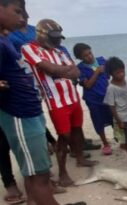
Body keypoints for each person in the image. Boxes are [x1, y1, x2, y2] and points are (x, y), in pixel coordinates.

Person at [21, 19, 97, 187]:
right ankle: (63, 172)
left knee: (77, 129)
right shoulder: (29, 48)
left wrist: (60, 70)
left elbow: (76, 72)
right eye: (54, 37)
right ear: (42, 34)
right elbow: (51, 69)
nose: (57, 40)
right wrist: (61, 70)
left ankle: (80, 158)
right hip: (56, 101)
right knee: (64, 136)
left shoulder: (60, 51)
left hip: (73, 96)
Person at [0, 1, 59, 204]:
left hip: (29, 112)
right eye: (17, 12)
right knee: (39, 177)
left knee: (34, 172)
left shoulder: (5, 38)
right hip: (19, 114)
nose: (23, 18)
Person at [73, 43, 113, 155]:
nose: (89, 57)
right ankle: (105, 143)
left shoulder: (101, 60)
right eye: (85, 56)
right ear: (80, 58)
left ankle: (121, 140)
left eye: (90, 53)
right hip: (93, 99)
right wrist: (97, 72)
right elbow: (88, 85)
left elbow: (109, 76)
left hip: (107, 96)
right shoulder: (80, 68)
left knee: (114, 117)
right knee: (98, 120)